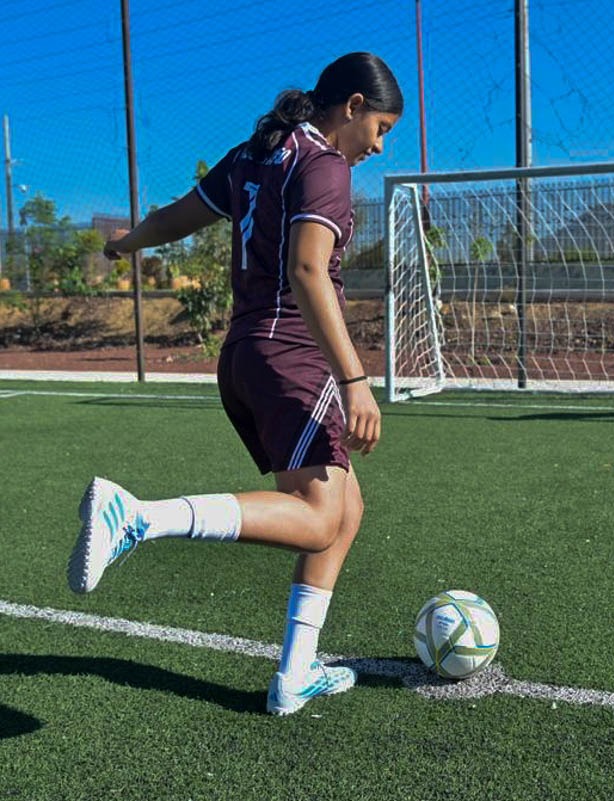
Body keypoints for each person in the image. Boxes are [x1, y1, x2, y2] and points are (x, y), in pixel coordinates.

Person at [66, 52, 403, 716]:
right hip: (292, 355)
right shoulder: (324, 164)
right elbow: (308, 271)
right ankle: (136, 517)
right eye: (381, 129)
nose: (378, 147)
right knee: (318, 516)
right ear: (354, 107)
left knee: (345, 510)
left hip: (246, 354)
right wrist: (355, 379)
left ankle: (295, 674)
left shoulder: (257, 153)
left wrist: (126, 244)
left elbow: (176, 217)